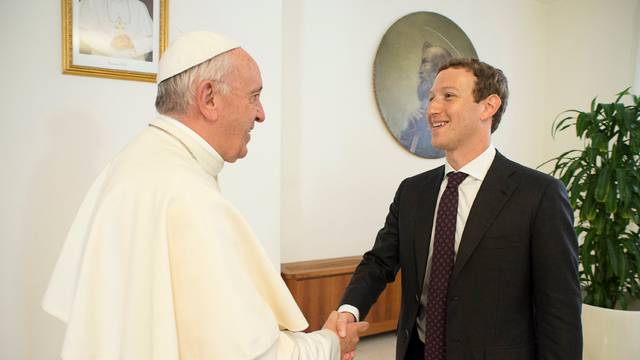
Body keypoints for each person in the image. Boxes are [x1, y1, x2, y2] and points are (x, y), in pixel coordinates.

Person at [42, 31, 367, 359]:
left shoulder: (134, 160)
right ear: (209, 98)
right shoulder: (188, 195)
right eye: (254, 96)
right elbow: (253, 355)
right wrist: (329, 343)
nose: (261, 114)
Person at [337, 58, 582, 359]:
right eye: (431, 98)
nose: (432, 109)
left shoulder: (540, 194)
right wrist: (348, 311)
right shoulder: (412, 191)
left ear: (488, 106)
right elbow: (379, 263)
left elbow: (559, 311)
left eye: (448, 96)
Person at [397, 42, 450, 159]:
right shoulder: (421, 110)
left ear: (439, 67)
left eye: (425, 62)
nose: (420, 70)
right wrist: (407, 129)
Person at [79, 0, 154, 60]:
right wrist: (108, 42)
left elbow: (153, 39)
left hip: (135, 70)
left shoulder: (139, 6)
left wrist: (133, 43)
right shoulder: (91, 2)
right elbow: (79, 31)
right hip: (100, 66)